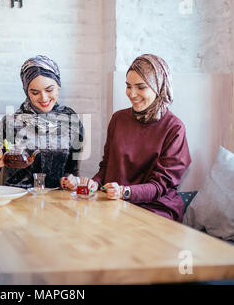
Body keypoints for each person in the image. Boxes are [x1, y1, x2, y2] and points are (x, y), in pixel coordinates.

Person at [61, 54, 191, 222]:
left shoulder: (174, 128)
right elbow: (106, 166)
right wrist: (94, 183)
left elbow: (161, 186)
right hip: (115, 203)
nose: (132, 94)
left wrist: (125, 192)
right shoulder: (118, 119)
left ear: (158, 86)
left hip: (156, 209)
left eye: (141, 87)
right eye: (128, 86)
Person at [0, 55, 84, 189]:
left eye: (49, 90)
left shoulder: (71, 120)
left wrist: (72, 181)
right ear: (27, 92)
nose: (44, 98)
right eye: (35, 92)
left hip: (56, 202)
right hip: (18, 202)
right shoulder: (10, 123)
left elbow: (72, 172)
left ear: (58, 86)